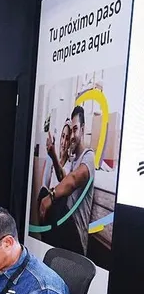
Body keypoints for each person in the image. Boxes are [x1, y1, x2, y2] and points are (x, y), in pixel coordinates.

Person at [38, 106, 95, 254]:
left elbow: (75, 179)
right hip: (65, 225)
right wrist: (53, 156)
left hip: (75, 233)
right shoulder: (74, 160)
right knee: (44, 193)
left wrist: (50, 197)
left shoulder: (88, 156)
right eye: (71, 131)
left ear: (82, 129)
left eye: (75, 130)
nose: (72, 136)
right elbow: (64, 179)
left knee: (48, 196)